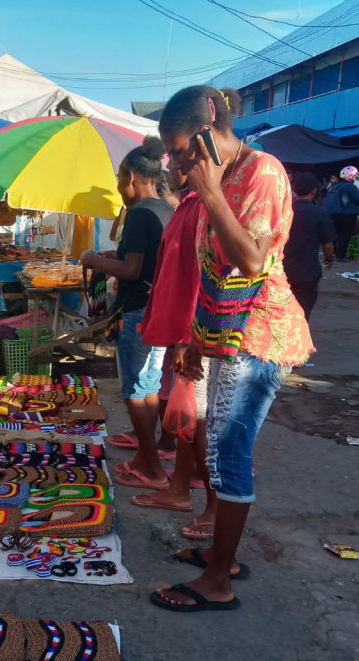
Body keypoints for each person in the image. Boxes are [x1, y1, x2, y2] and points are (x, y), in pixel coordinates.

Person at [150, 85, 313, 612]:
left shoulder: (261, 172)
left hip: (260, 333)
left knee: (228, 455)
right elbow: (212, 274)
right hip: (226, 337)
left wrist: (212, 192)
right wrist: (196, 341)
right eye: (171, 154)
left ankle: (218, 581)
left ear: (208, 124)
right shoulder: (218, 179)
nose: (175, 163)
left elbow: (249, 263)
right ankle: (226, 560)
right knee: (217, 451)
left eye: (179, 150)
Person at [81, 137, 174, 489]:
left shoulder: (139, 214)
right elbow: (146, 259)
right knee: (149, 386)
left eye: (120, 180)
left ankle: (152, 468)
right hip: (159, 309)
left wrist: (93, 260)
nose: (119, 188)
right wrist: (113, 255)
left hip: (137, 311)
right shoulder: (165, 209)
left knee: (134, 391)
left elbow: (132, 270)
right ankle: (145, 457)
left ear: (131, 177)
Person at [131, 167, 217, 534]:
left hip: (199, 332)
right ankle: (178, 488)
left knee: (199, 423)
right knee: (188, 418)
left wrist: (187, 338)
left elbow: (204, 276)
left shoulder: (208, 205)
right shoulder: (189, 202)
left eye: (182, 154)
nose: (175, 166)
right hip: (185, 330)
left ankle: (215, 504)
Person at [285, 172, 336, 321]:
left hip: (282, 270)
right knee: (302, 312)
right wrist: (329, 259)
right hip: (307, 273)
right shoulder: (320, 213)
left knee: (280, 312)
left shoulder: (286, 210)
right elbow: (328, 245)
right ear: (314, 191)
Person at [324, 166, 359, 261]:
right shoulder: (352, 187)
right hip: (348, 215)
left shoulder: (336, 185)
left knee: (336, 233)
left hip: (335, 213)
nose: (355, 178)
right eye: (354, 176)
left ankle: (331, 253)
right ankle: (340, 256)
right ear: (350, 176)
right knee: (345, 235)